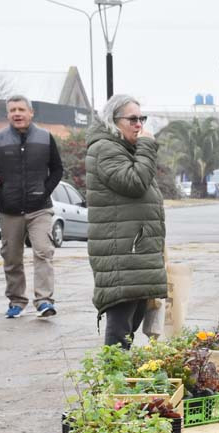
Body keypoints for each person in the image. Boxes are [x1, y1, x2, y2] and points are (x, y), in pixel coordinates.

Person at [85, 94, 167, 349]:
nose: (139, 124)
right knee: (120, 330)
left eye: (141, 118)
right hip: (122, 255)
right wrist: (146, 147)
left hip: (136, 252)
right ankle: (112, 382)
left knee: (129, 327)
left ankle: (120, 380)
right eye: (132, 119)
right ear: (113, 120)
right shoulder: (105, 149)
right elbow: (135, 183)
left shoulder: (124, 149)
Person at [0, 95, 63, 318]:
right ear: (7, 115)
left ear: (31, 113)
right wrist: (1, 194)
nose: (17, 113)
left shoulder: (46, 138)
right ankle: (16, 300)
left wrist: (44, 192)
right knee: (12, 256)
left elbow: (57, 170)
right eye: (12, 110)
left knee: (44, 252)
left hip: (40, 209)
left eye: (21, 109)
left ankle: (44, 300)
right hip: (9, 210)